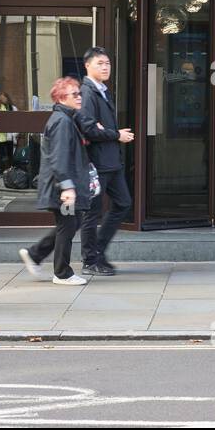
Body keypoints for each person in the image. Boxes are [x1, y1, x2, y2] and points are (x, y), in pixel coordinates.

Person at [18, 78, 94, 285]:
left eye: (79, 93)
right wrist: (67, 187)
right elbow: (59, 158)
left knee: (70, 223)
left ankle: (35, 254)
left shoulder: (67, 119)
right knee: (68, 226)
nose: (80, 97)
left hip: (62, 185)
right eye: (75, 94)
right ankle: (62, 273)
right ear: (61, 98)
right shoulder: (62, 122)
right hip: (62, 187)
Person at [74, 46, 133, 276]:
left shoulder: (103, 90)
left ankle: (98, 250)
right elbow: (88, 128)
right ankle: (90, 260)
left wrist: (109, 132)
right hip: (97, 162)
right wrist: (116, 134)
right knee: (92, 212)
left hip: (111, 161)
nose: (106, 67)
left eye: (107, 63)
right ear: (87, 65)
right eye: (100, 63)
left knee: (123, 203)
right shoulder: (87, 92)